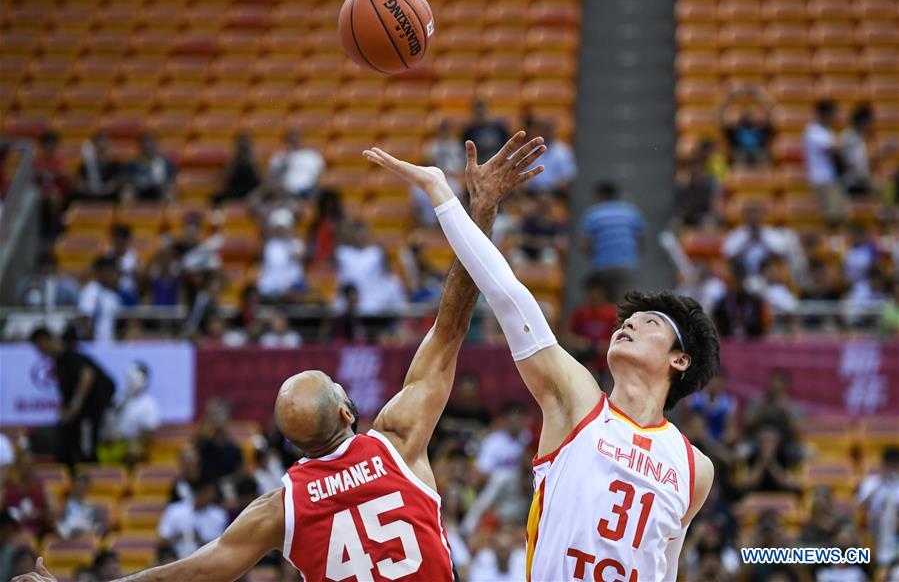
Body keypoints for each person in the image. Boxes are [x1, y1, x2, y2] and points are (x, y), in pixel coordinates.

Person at [13, 132, 543, 582]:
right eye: (339, 389)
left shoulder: (282, 505)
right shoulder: (398, 441)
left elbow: (198, 571)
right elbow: (451, 322)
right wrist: (482, 207)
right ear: (345, 411)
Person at [364, 138, 719, 582]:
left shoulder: (694, 468)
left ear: (680, 360)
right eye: (627, 320)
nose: (628, 325)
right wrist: (444, 194)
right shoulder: (578, 403)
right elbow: (508, 295)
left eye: (650, 323)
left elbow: (664, 569)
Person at [30, 328, 116, 466]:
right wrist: (65, 409)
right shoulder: (58, 361)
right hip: (79, 413)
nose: (39, 351)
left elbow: (87, 376)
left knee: (86, 449)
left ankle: (92, 476)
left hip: (90, 410)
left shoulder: (68, 354)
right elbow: (66, 390)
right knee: (66, 442)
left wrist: (75, 405)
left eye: (38, 346)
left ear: (44, 341)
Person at [579, 181, 647, 302]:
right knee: (626, 304)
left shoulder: (593, 214)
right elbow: (641, 239)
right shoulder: (631, 211)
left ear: (600, 196)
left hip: (602, 266)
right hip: (627, 265)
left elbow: (585, 244)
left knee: (604, 306)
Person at [563, 274, 619, 381]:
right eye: (590, 292)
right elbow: (566, 336)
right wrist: (582, 343)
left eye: (597, 293)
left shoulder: (612, 313)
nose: (593, 296)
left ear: (604, 293)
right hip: (583, 360)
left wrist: (603, 346)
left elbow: (620, 338)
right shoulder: (580, 313)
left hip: (606, 364)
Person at [103, 362, 161, 463]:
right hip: (113, 444)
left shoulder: (149, 404)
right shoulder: (118, 399)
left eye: (134, 380)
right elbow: (109, 420)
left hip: (133, 448)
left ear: (143, 381)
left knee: (133, 450)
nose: (131, 383)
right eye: (129, 379)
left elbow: (149, 432)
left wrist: (129, 441)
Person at [804, 100, 850, 226]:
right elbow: (832, 148)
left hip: (832, 178)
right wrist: (848, 140)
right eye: (833, 114)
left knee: (841, 214)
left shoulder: (828, 131)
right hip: (822, 179)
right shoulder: (813, 131)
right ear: (824, 114)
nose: (835, 117)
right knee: (832, 216)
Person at [157, 481, 228, 560]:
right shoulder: (175, 510)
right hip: (176, 558)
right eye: (203, 492)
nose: (206, 496)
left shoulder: (219, 515)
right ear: (195, 493)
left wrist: (199, 539)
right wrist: (178, 535)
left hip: (206, 559)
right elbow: (162, 541)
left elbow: (220, 546)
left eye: (208, 493)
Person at [858, 447, 899, 569]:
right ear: (883, 464)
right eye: (889, 464)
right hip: (873, 530)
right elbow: (861, 506)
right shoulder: (871, 482)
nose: (893, 468)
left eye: (895, 465)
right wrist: (881, 482)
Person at [717, 84, 774, 166]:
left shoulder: (762, 128)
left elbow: (772, 112)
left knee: (763, 155)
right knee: (736, 155)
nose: (748, 118)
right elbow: (720, 116)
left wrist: (759, 95)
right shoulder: (734, 129)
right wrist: (730, 96)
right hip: (739, 156)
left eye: (751, 115)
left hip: (759, 156)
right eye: (746, 115)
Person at [256, 208, 305, 302]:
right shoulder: (270, 245)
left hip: (292, 287)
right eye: (279, 228)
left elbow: (299, 256)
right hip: (272, 287)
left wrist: (289, 241)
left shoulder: (296, 243)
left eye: (283, 227)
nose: (281, 230)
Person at [32, 130, 70, 240]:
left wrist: (54, 173)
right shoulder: (37, 161)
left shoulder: (60, 161)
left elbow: (65, 178)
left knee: (54, 197)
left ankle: (53, 230)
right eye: (47, 144)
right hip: (40, 192)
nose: (50, 147)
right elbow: (33, 177)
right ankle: (37, 229)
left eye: (52, 144)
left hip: (57, 193)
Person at [267, 129, 324, 200]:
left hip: (307, 191)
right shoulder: (279, 157)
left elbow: (320, 174)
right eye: (291, 140)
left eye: (296, 140)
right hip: (285, 192)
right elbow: (273, 175)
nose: (294, 143)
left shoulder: (312, 155)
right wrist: (286, 158)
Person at [524, 119, 577, 195]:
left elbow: (568, 175)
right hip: (531, 193)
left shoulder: (563, 150)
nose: (546, 133)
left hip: (555, 193)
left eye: (548, 130)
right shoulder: (529, 149)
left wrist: (558, 188)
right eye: (544, 130)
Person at [77, 255, 122, 342]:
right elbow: (84, 319)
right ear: (101, 272)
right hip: (93, 345)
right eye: (112, 272)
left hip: (108, 345)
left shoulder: (113, 296)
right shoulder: (91, 290)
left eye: (116, 273)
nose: (115, 276)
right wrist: (90, 342)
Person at [124, 133, 177, 201]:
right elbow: (127, 178)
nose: (148, 148)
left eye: (150, 146)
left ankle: (170, 211)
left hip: (159, 189)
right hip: (139, 189)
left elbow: (172, 178)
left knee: (169, 191)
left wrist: (166, 183)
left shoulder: (166, 163)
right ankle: (127, 211)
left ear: (155, 146)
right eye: (145, 146)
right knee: (127, 191)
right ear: (140, 147)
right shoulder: (132, 165)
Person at [213, 133, 260, 204]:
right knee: (215, 198)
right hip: (234, 192)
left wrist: (251, 160)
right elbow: (224, 180)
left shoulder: (252, 162)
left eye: (245, 146)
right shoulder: (233, 161)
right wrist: (234, 159)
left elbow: (259, 179)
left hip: (250, 193)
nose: (242, 148)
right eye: (240, 146)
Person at [76, 132, 122, 201]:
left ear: (108, 145)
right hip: (89, 194)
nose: (101, 147)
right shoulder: (85, 165)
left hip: (110, 194)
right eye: (98, 144)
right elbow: (80, 184)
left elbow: (117, 182)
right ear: (94, 145)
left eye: (104, 144)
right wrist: (91, 189)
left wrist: (104, 189)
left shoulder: (115, 165)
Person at [462, 98, 509, 164]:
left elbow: (506, 148)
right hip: (478, 164)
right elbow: (465, 151)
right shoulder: (470, 130)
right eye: (478, 113)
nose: (481, 115)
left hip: (497, 162)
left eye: (483, 111)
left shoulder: (499, 128)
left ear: (488, 110)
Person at [56, 473, 102, 539]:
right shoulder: (64, 505)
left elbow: (97, 528)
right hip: (67, 541)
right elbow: (59, 527)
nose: (80, 490)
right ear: (72, 487)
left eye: (83, 487)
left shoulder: (93, 506)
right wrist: (72, 533)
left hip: (86, 540)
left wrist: (87, 533)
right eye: (77, 486)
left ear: (87, 489)